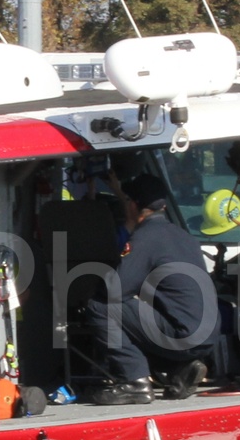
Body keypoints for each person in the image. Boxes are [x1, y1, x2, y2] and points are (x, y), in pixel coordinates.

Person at [78, 172, 219, 406]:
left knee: (100, 306)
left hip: (183, 335)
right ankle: (178, 369)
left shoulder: (145, 238)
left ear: (134, 205)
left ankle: (134, 383)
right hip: (206, 337)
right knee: (140, 313)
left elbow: (115, 291)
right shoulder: (182, 236)